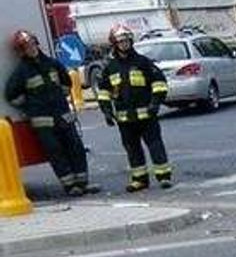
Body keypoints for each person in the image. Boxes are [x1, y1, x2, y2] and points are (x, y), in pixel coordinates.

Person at [4, 30, 99, 197]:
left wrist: (60, 98)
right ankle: (70, 186)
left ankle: (83, 182)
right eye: (27, 47)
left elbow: (66, 84)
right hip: (43, 122)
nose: (31, 48)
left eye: (33, 44)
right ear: (22, 51)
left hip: (63, 115)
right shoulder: (21, 72)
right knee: (56, 153)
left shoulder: (52, 64)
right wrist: (30, 107)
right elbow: (11, 95)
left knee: (76, 148)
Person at [96, 24, 172, 192]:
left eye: (127, 40)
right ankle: (139, 180)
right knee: (132, 149)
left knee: (155, 145)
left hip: (147, 116)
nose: (125, 44)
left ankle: (164, 177)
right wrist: (107, 112)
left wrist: (155, 103)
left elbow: (159, 83)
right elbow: (103, 92)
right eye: (121, 41)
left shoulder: (142, 62)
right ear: (115, 44)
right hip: (125, 119)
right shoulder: (110, 67)